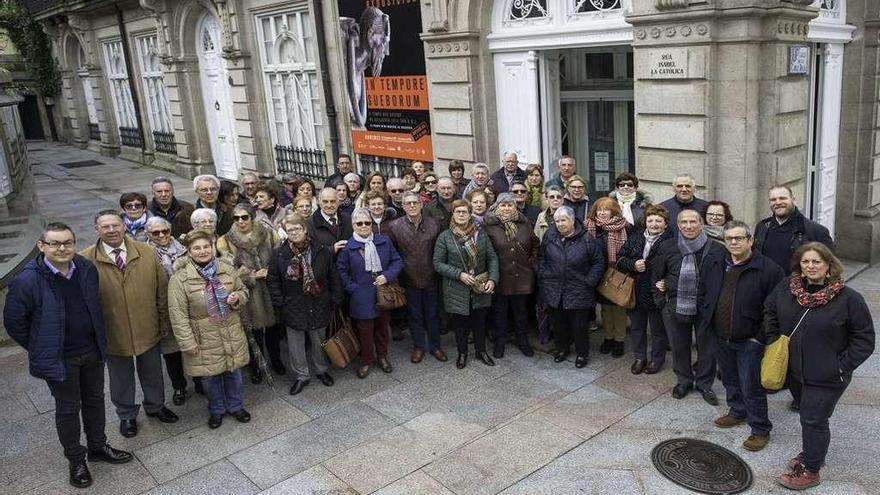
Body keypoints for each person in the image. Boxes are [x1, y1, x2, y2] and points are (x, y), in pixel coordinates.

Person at [4, 223, 133, 489]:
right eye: (55, 243)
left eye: (67, 243)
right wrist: (43, 347)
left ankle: (98, 446)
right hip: (60, 360)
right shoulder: (27, 280)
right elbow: (15, 323)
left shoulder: (85, 269)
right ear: (42, 246)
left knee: (95, 401)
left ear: (74, 244)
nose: (62, 248)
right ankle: (76, 459)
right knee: (68, 409)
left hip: (92, 352)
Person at [765, 243, 874, 491]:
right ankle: (810, 453)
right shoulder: (787, 288)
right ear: (800, 267)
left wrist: (840, 366)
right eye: (806, 262)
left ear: (828, 265)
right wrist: (773, 338)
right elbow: (769, 309)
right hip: (795, 371)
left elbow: (864, 339)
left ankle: (811, 470)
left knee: (814, 419)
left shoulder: (849, 299)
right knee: (808, 417)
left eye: (816, 262)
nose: (811, 266)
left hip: (827, 375)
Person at [80, 210, 178, 438]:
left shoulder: (145, 252)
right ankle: (126, 415)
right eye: (105, 227)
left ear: (124, 226)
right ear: (97, 230)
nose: (112, 230)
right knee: (120, 377)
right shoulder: (85, 259)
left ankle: (156, 406)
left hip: (148, 325)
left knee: (152, 372)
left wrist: (163, 320)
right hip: (113, 331)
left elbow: (161, 290)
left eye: (115, 225)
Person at [699, 220, 785, 452]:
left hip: (750, 340)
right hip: (720, 335)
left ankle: (760, 428)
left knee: (752, 385)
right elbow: (704, 292)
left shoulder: (769, 269)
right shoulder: (715, 262)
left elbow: (777, 308)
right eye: (729, 239)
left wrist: (760, 337)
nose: (734, 242)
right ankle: (737, 412)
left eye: (739, 238)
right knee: (730, 380)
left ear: (750, 240)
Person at [168, 230, 252, 429]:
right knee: (209, 377)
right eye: (197, 248)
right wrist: (187, 342)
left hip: (231, 331)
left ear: (213, 247)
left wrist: (238, 298)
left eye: (206, 246)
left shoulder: (226, 269)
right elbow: (177, 315)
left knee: (234, 372)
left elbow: (243, 290)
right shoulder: (180, 280)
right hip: (203, 336)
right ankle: (217, 410)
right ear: (189, 252)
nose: (203, 251)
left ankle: (236, 406)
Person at [653, 209, 725, 405]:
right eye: (684, 222)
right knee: (679, 346)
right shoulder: (668, 247)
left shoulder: (717, 249)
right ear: (678, 225)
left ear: (701, 223)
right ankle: (683, 381)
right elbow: (657, 275)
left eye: (693, 222)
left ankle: (704, 384)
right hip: (675, 305)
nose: (688, 226)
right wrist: (662, 302)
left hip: (706, 307)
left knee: (707, 348)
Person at [267, 214, 342, 395]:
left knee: (318, 340)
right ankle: (301, 375)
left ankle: (321, 370)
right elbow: (273, 280)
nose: (294, 232)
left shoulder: (321, 251)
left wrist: (335, 298)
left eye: (297, 228)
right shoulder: (279, 254)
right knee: (295, 344)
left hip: (319, 301)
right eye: (290, 229)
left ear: (305, 229)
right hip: (293, 304)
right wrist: (280, 301)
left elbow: (333, 276)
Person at [216, 203, 284, 382]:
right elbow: (228, 270)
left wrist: (272, 271)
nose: (240, 221)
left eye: (244, 217)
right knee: (252, 332)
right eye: (236, 218)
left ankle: (276, 360)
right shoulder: (225, 241)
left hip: (270, 288)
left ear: (252, 217)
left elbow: (280, 257)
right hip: (247, 291)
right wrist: (252, 275)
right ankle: (256, 365)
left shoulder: (269, 234)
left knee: (273, 329)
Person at [337, 208, 404, 378]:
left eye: (367, 223)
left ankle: (382, 356)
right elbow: (341, 271)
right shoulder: (348, 247)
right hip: (361, 296)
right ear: (353, 225)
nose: (364, 226)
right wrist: (353, 288)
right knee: (365, 331)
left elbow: (397, 261)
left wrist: (387, 276)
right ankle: (366, 360)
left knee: (382, 327)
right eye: (359, 223)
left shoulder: (384, 241)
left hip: (382, 292)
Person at [433, 200, 500, 369]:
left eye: (464, 211)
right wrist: (459, 274)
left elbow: (492, 257)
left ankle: (481, 351)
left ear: (470, 214)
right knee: (460, 324)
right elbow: (438, 263)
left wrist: (492, 279)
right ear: (453, 214)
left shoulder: (480, 233)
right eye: (458, 212)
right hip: (457, 288)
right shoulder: (445, 236)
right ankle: (462, 353)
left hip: (480, 284)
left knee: (480, 321)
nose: (461, 215)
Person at [539, 206, 605, 368]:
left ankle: (582, 354)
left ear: (573, 220)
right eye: (557, 221)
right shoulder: (550, 235)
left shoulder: (587, 239)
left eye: (563, 220)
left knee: (579, 326)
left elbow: (598, 262)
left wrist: (589, 281)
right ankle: (562, 349)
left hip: (579, 288)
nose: (560, 224)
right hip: (555, 287)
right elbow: (542, 257)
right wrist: (544, 274)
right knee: (559, 323)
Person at [387, 192, 447, 363]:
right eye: (408, 203)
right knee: (414, 315)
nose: (412, 206)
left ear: (421, 205)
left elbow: (440, 250)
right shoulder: (395, 226)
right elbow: (393, 254)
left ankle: (435, 346)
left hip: (431, 277)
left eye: (415, 203)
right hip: (409, 279)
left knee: (433, 314)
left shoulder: (434, 224)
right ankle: (418, 347)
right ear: (403, 206)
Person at [616, 205, 673, 374]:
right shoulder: (635, 237)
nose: (654, 224)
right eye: (650, 220)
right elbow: (620, 258)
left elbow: (677, 268)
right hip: (636, 291)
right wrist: (632, 264)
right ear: (645, 222)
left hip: (656, 293)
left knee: (657, 330)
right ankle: (640, 357)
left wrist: (667, 282)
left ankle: (657, 360)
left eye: (658, 221)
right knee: (637, 327)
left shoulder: (671, 242)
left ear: (666, 224)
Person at [483, 193, 539, 358]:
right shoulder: (489, 225)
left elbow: (535, 244)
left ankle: (523, 340)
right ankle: (500, 340)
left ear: (515, 207)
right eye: (503, 205)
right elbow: (485, 251)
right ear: (496, 207)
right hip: (500, 276)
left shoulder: (525, 223)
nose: (506, 208)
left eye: (510, 205)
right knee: (500, 311)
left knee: (521, 311)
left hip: (522, 275)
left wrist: (531, 262)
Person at [145, 217, 191, 405]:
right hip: (163, 307)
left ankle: (199, 380)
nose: (162, 235)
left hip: (187, 304)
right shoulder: (144, 253)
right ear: (148, 234)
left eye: (165, 231)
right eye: (156, 233)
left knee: (192, 344)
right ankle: (179, 386)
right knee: (171, 350)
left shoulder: (183, 248)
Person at [754, 185, 834, 275]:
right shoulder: (762, 227)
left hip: (798, 286)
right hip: (766, 286)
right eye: (773, 200)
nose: (778, 202)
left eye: (782, 198)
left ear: (793, 199)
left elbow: (831, 263)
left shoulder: (815, 230)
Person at [586, 197, 631, 358]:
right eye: (600, 209)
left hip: (617, 273)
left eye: (607, 209)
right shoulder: (589, 226)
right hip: (598, 274)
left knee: (618, 308)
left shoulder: (625, 227)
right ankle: (608, 337)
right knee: (604, 309)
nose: (603, 213)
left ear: (614, 212)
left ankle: (619, 340)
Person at [309, 187, 353, 255]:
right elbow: (311, 251)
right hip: (324, 264)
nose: (329, 205)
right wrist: (332, 249)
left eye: (332, 201)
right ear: (319, 202)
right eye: (325, 201)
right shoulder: (310, 223)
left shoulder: (348, 219)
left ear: (338, 201)